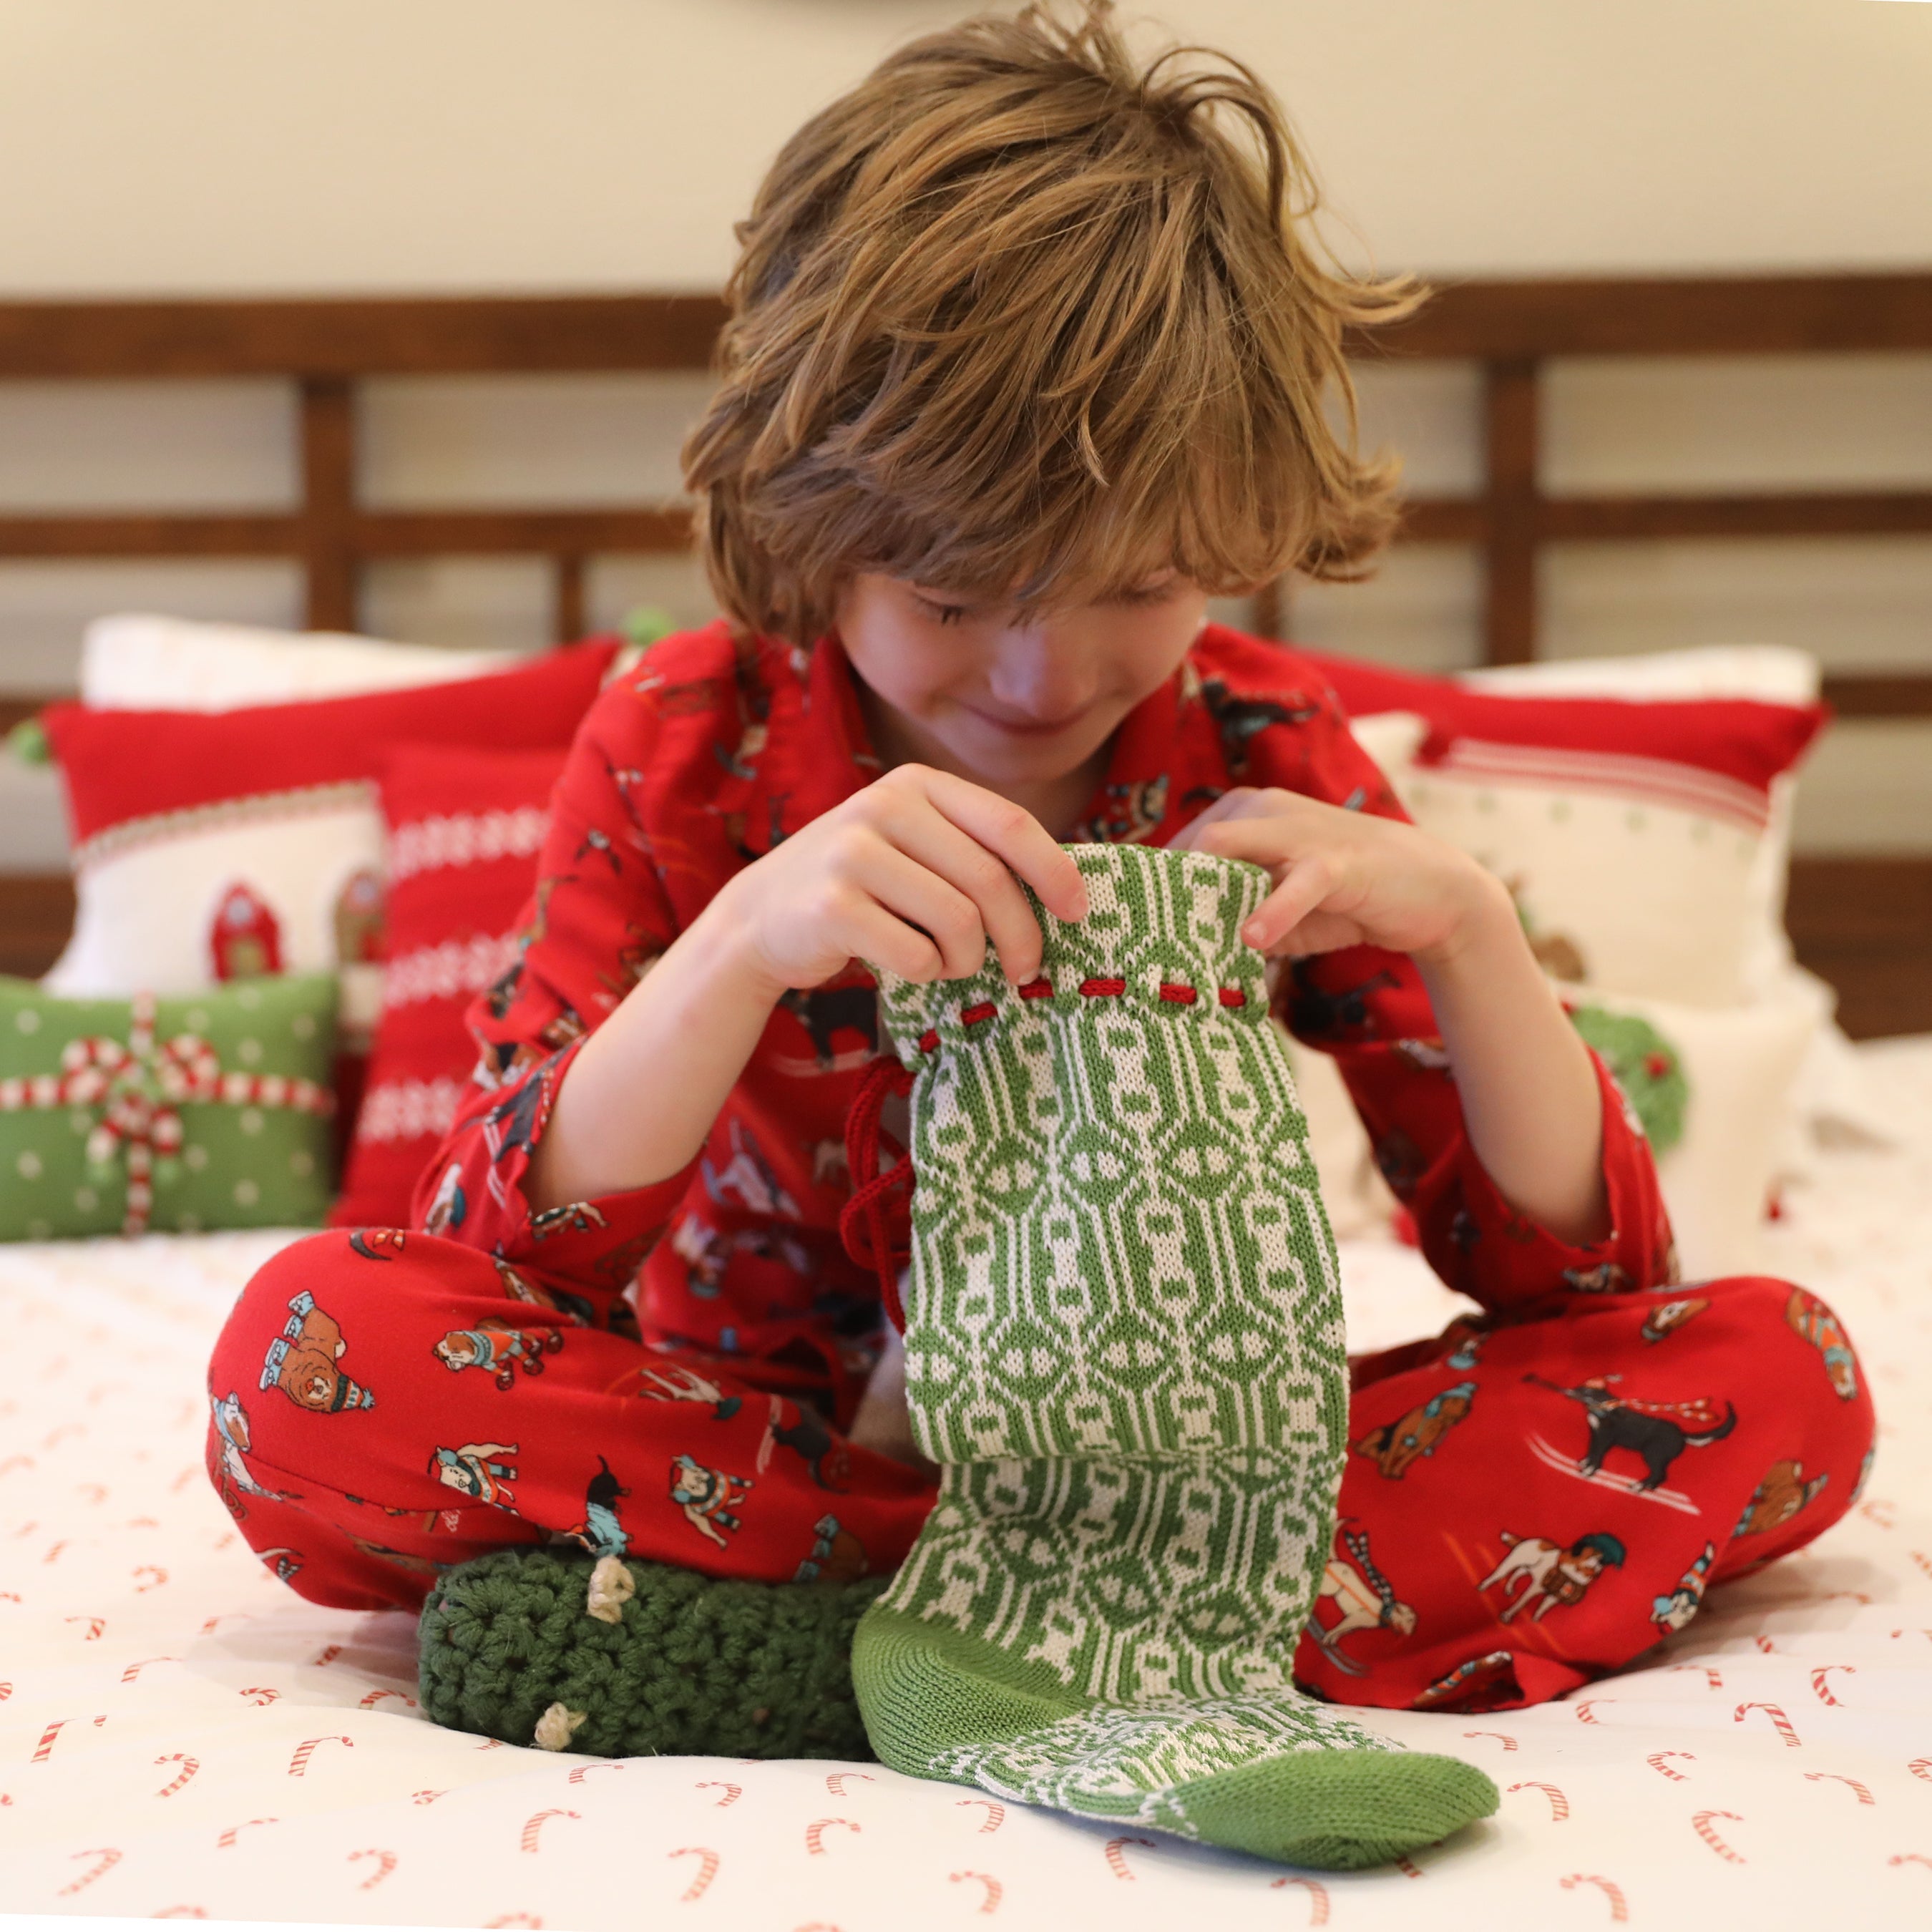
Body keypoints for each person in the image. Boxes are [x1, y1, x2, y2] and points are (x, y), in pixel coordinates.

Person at [208, 0, 1871, 1715]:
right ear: (810, 524)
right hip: (743, 1440)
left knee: (1786, 1373)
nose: (1043, 679)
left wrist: (1471, 936)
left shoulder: (1255, 746)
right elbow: (495, 1262)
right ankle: (1047, 1623)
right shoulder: (680, 740)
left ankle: (818, 1646)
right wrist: (734, 950)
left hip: (1182, 1465)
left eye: (1141, 586)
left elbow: (1585, 1292)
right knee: (303, 1364)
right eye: (948, 598)